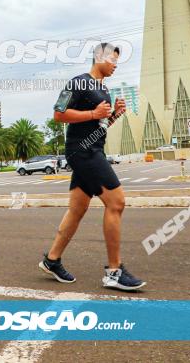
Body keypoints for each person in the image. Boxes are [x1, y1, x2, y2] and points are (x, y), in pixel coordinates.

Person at [38, 42, 146, 291]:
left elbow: (99, 125)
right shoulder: (79, 82)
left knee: (77, 210)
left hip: (94, 149)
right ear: (99, 57)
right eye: (113, 60)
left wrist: (114, 115)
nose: (116, 65)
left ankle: (52, 260)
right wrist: (93, 114)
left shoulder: (103, 89)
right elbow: (58, 113)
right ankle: (114, 271)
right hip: (82, 152)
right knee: (116, 202)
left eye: (118, 61)